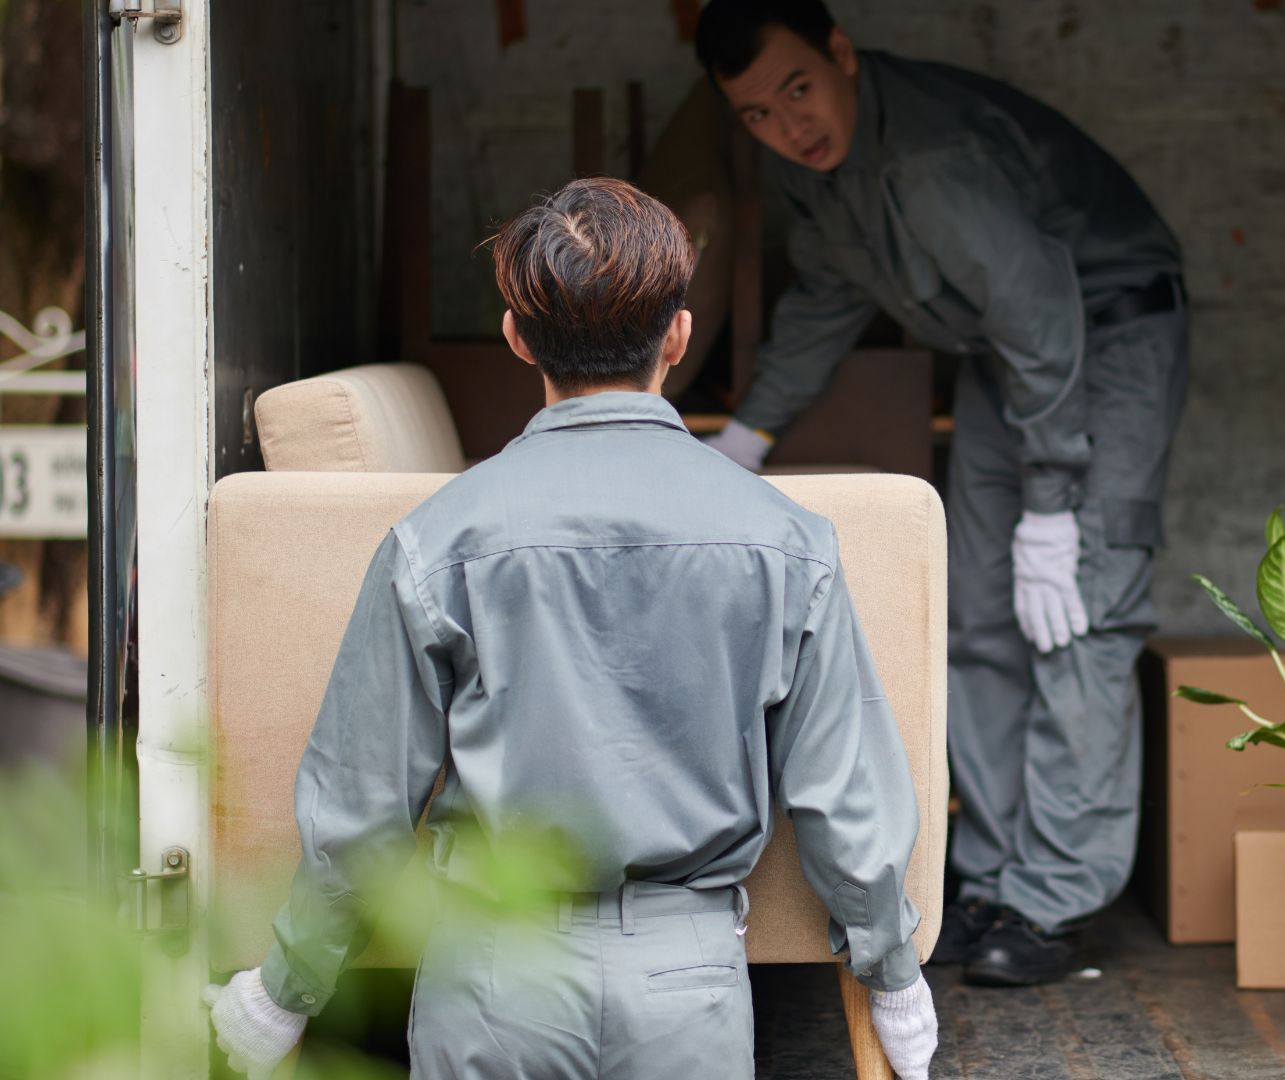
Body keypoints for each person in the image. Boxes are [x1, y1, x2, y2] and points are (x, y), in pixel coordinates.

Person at [201, 178, 938, 1080]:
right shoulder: (789, 542)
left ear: (516, 337)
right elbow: (845, 793)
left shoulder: (435, 541)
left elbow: (363, 805)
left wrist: (286, 988)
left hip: (488, 979)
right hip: (689, 981)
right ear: (679, 335)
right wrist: (893, 972)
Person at [695, 0, 1188, 987]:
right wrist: (740, 442)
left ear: (840, 52)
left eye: (798, 88)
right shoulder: (816, 170)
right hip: (1003, 361)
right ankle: (996, 881)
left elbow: (1046, 317)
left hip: (1105, 339)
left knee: (1075, 609)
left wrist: (1053, 503)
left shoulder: (928, 158)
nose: (790, 127)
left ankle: (1052, 902)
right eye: (756, 114)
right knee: (979, 621)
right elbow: (827, 299)